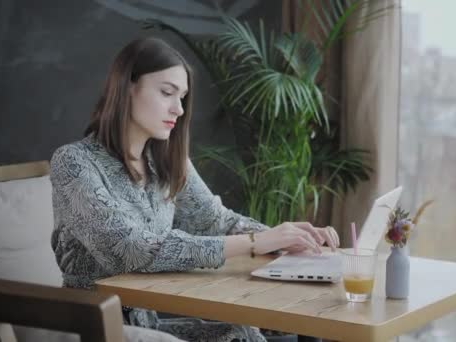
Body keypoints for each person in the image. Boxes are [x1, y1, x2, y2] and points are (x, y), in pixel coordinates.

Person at [49, 37, 340, 342]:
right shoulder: (73, 162)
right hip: (95, 327)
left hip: (147, 324)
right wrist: (257, 241)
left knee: (239, 334)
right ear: (127, 87)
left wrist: (287, 239)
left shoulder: (165, 161)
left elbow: (216, 221)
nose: (178, 109)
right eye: (166, 93)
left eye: (183, 97)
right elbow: (131, 249)